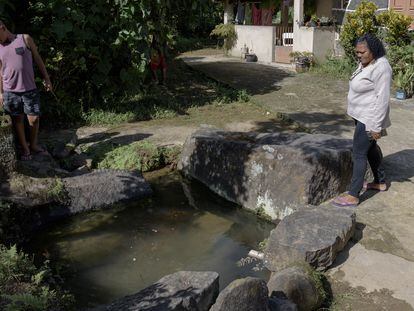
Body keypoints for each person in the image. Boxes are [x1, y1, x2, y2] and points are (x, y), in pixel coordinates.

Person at [332, 33, 392, 208]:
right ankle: (380, 182)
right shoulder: (367, 63)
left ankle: (353, 195)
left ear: (373, 50)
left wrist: (376, 126)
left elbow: (382, 99)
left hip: (369, 118)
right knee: (370, 148)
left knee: (358, 153)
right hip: (360, 115)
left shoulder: (382, 68)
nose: (359, 55)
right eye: (357, 52)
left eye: (362, 52)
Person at [0, 20, 52, 160]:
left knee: (34, 119)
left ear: (3, 28)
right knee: (17, 119)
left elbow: (38, 59)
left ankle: (33, 144)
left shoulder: (24, 38)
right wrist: (0, 93)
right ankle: (25, 149)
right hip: (9, 90)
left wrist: (46, 78)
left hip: (29, 88)